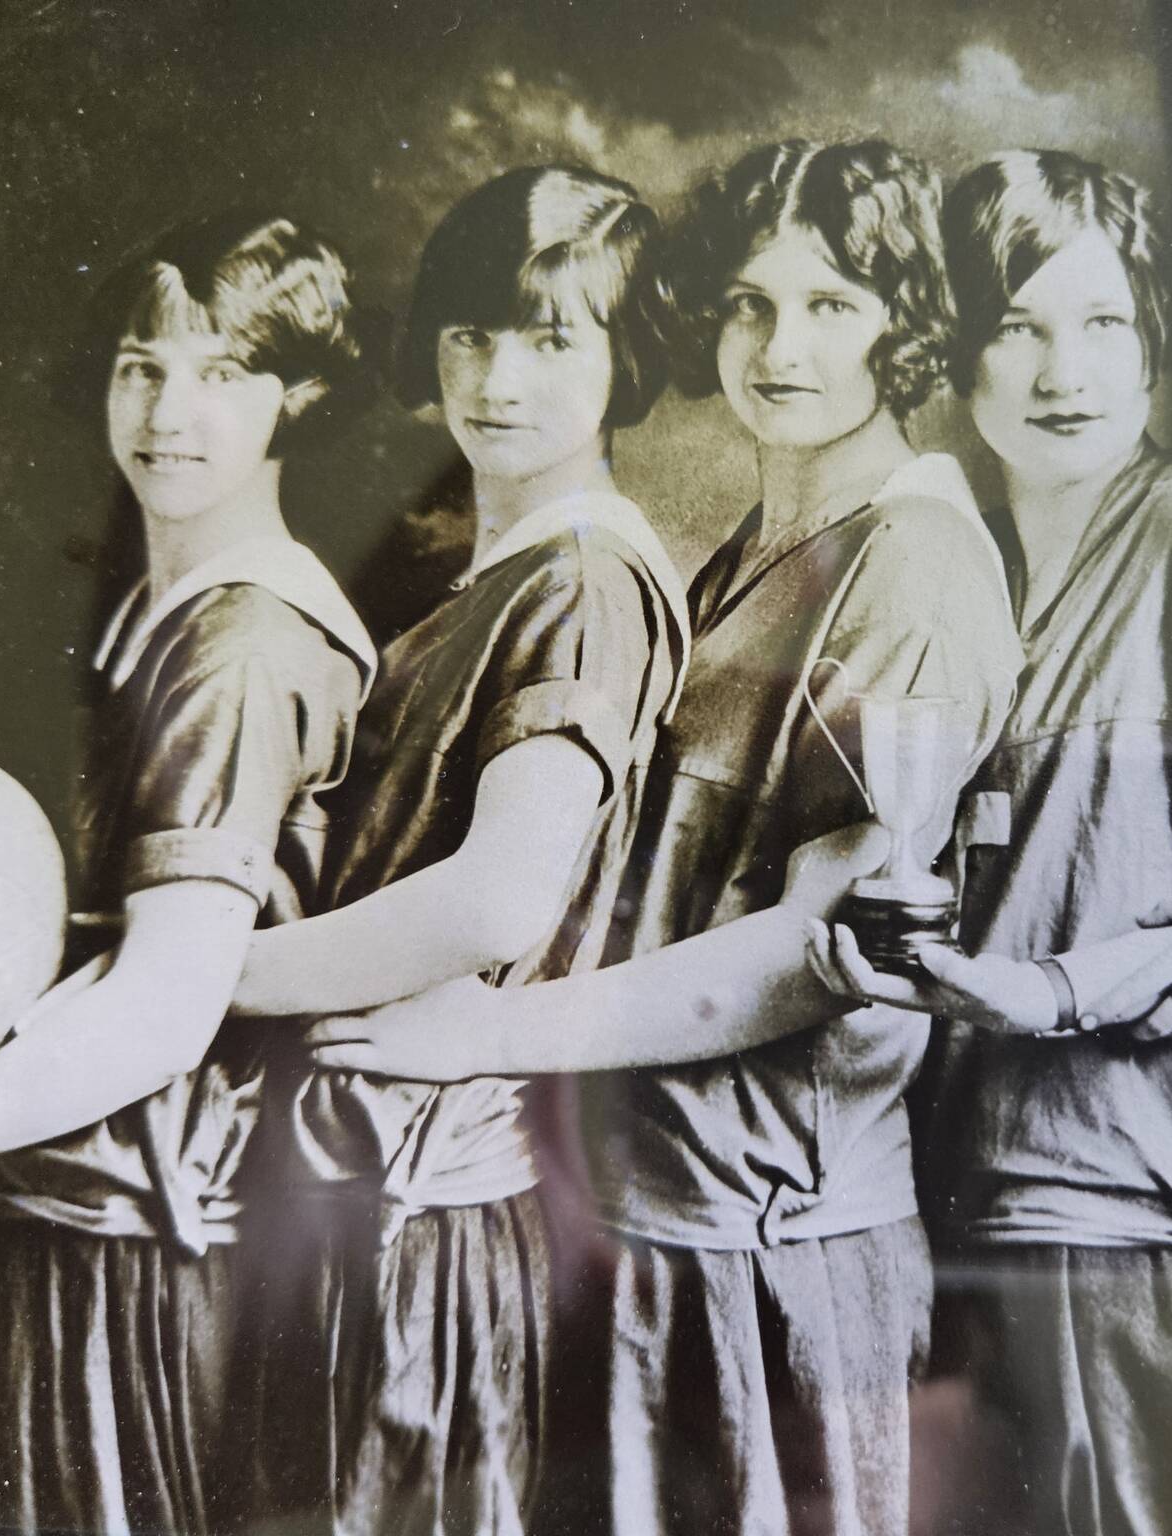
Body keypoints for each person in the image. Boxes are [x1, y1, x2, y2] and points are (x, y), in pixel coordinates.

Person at [304, 139, 1023, 1536]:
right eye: (750, 304)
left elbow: (815, 956)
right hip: (646, 1220)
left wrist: (488, 1033)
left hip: (777, 1246)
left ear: (906, 323)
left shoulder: (916, 563)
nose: (778, 345)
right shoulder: (752, 545)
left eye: (832, 306)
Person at [0, 214, 379, 1533]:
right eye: (139, 364)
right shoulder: (159, 601)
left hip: (152, 1247)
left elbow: (164, 1004)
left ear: (299, 396)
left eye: (222, 371)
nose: (169, 410)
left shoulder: (244, 642)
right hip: (72, 1208)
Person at [803, 148, 1172, 1536]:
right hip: (937, 1202)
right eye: (1020, 324)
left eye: (1104, 324)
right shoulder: (957, 554)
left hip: (1121, 1210)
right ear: (958, 347)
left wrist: (1056, 992)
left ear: (1153, 341)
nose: (1068, 372)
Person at [218, 167, 690, 1535]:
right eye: (474, 333)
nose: (500, 378)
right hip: (358, 1180)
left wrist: (208, 978)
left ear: (625, 360)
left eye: (556, 340)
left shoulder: (589, 583)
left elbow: (500, 900)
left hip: (426, 1203)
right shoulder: (498, 565)